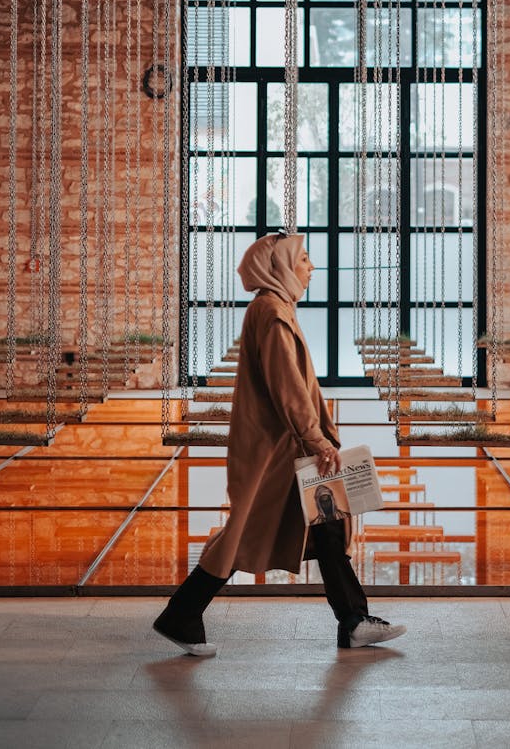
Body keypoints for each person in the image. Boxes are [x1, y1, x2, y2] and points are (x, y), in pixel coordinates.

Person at [153, 230, 406, 656]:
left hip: (290, 450)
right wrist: (317, 438)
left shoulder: (275, 309)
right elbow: (287, 386)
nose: (311, 267)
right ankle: (182, 612)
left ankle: (354, 621)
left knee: (327, 526)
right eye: (303, 259)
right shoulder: (272, 313)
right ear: (281, 268)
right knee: (243, 535)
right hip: (281, 452)